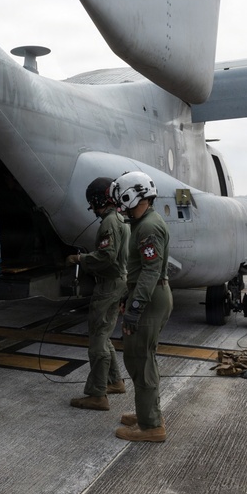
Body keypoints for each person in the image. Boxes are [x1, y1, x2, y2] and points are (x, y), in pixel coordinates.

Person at [110, 170, 172, 442]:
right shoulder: (143, 223)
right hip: (146, 294)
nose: (120, 207)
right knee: (142, 358)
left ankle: (150, 426)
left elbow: (150, 271)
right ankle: (148, 412)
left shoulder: (147, 227)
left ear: (133, 196)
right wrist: (128, 297)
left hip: (149, 297)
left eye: (122, 200)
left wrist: (135, 307)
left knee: (140, 359)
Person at [66, 176, 129, 411]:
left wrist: (80, 259)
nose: (91, 209)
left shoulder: (109, 223)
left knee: (97, 341)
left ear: (97, 200)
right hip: (117, 283)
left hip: (108, 285)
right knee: (105, 335)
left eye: (92, 204)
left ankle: (97, 394)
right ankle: (115, 381)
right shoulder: (120, 220)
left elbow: (106, 256)